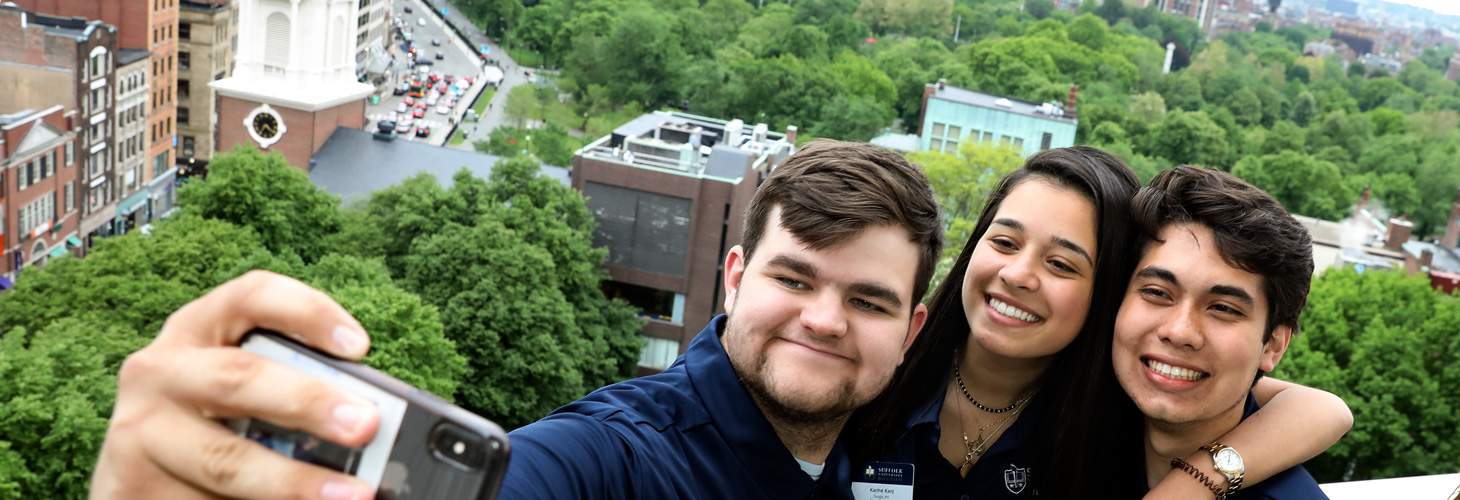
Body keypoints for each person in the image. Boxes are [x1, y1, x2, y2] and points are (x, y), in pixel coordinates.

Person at [88, 139, 944, 500]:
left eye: (868, 300)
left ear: (911, 331)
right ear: (733, 279)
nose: (825, 319)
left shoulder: (889, 453)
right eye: (794, 279)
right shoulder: (612, 456)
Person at [848, 148, 1351, 499]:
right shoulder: (876, 362)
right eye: (1003, 242)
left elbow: (1319, 408)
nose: (1018, 275)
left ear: (1106, 294)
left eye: (1062, 264)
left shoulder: (1108, 410)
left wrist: (1196, 481)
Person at [1112, 166, 1328, 498]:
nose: (1180, 331)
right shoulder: (1068, 428)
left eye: (1223, 308)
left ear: (1272, 346)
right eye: (1157, 292)